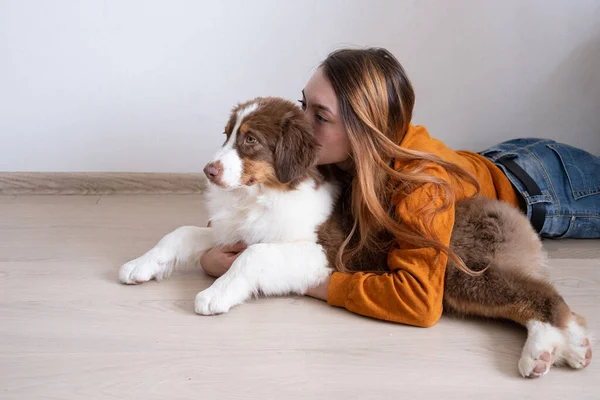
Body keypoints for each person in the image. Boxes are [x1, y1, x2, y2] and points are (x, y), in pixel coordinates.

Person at [200, 48, 600, 327]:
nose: (300, 123)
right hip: (497, 156)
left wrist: (301, 280)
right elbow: (263, 216)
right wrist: (214, 254)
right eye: (302, 103)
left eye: (319, 115)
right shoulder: (334, 156)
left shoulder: (422, 191)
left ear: (365, 131)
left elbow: (419, 303)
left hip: (549, 188)